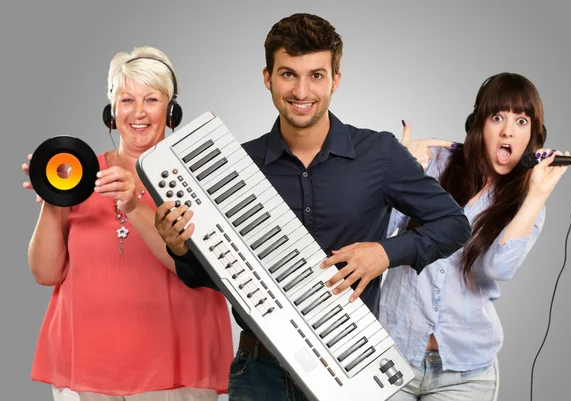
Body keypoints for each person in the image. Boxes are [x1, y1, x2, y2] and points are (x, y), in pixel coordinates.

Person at [154, 13, 471, 401]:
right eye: (288, 74)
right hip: (259, 372)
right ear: (267, 77)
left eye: (316, 76)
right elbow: (209, 277)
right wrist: (179, 247)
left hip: (351, 371)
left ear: (335, 80)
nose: (302, 91)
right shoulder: (235, 165)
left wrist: (385, 254)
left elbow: (455, 224)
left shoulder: (380, 154)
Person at [22, 46, 233, 401]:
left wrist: (133, 203)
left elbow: (203, 272)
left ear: (171, 109)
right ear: (111, 111)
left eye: (151, 99)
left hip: (176, 368)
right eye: (126, 100)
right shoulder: (79, 172)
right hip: (84, 366)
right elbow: (45, 274)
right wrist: (53, 199)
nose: (138, 113)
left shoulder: (200, 176)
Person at [379, 72, 570, 400]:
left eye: (521, 121)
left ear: (534, 135)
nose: (508, 130)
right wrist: (396, 175)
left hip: (467, 375)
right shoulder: (435, 164)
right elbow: (379, 232)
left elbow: (498, 269)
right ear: (478, 123)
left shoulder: (528, 202)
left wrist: (536, 196)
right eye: (498, 117)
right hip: (390, 357)